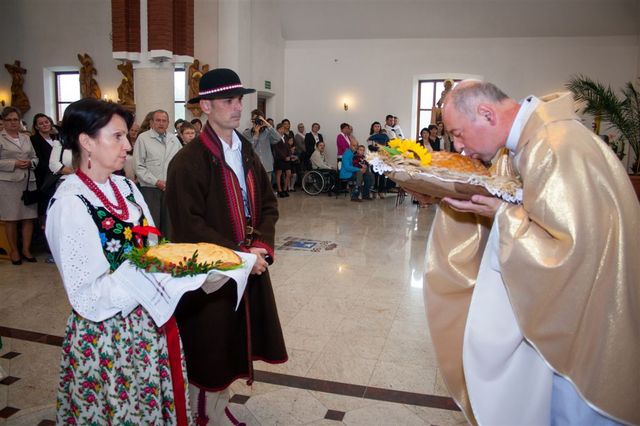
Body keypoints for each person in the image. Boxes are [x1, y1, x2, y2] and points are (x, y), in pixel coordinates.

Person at [418, 80, 640, 425]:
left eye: (458, 133)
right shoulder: (533, 142)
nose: (459, 147)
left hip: (584, 341)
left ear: (487, 113)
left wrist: (501, 215)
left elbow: (569, 252)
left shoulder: (553, 146)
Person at [45, 98, 191, 424]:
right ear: (86, 142)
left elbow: (151, 244)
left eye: (128, 136)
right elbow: (88, 295)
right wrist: (154, 275)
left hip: (147, 321)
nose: (127, 145)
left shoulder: (126, 187)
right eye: (118, 136)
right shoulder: (70, 204)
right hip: (106, 335)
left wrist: (175, 267)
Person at [166, 68, 287, 425]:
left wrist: (261, 246)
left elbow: (268, 203)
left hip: (250, 262)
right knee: (211, 343)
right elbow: (189, 225)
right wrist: (240, 255)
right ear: (205, 106)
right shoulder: (187, 163)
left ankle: (219, 406)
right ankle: (204, 414)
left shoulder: (245, 150)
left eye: (239, 100)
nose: (237, 108)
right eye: (227, 101)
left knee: (236, 337)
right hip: (212, 272)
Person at [133, 109, 182, 237]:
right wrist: (156, 181)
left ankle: (168, 253)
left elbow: (181, 164)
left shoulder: (174, 139)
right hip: (150, 189)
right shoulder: (143, 139)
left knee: (170, 226)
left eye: (164, 121)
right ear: (151, 122)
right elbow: (139, 166)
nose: (161, 123)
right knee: (152, 226)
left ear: (168, 123)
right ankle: (151, 254)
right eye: (158, 120)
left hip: (170, 189)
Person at [0, 106, 38, 264]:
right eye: (9, 120)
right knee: (12, 218)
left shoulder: (26, 138)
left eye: (15, 119)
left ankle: (26, 250)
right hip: (9, 183)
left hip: (28, 181)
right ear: (3, 121)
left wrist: (31, 163)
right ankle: (14, 251)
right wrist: (14, 163)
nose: (13, 122)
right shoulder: (0, 138)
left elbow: (35, 157)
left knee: (28, 218)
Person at [31, 113, 58, 217]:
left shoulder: (56, 137)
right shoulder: (34, 140)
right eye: (41, 123)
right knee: (45, 206)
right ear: (37, 126)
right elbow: (39, 159)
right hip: (44, 177)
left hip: (58, 175)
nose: (45, 125)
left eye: (46, 122)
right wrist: (55, 167)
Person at [242, 109, 280, 178]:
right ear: (251, 120)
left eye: (258, 119)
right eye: (254, 119)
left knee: (267, 188)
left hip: (267, 167)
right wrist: (256, 135)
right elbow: (249, 149)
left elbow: (278, 138)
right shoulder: (246, 133)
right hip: (254, 167)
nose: (256, 122)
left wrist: (268, 125)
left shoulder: (267, 132)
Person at [339, 137, 371, 202]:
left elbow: (357, 164)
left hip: (352, 172)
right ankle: (354, 196)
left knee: (368, 175)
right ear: (350, 145)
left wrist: (364, 167)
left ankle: (365, 195)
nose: (355, 147)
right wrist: (359, 169)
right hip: (346, 173)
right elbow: (347, 167)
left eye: (356, 145)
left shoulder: (353, 153)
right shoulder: (347, 153)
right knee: (360, 173)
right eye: (353, 145)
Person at [273, 123, 292, 197]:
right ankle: (280, 190)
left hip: (287, 158)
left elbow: (288, 148)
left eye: (283, 129)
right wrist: (284, 157)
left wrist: (289, 156)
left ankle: (285, 189)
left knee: (288, 173)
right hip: (279, 158)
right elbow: (277, 149)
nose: (282, 130)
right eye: (280, 129)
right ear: (277, 130)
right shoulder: (275, 137)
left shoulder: (286, 137)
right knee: (279, 174)